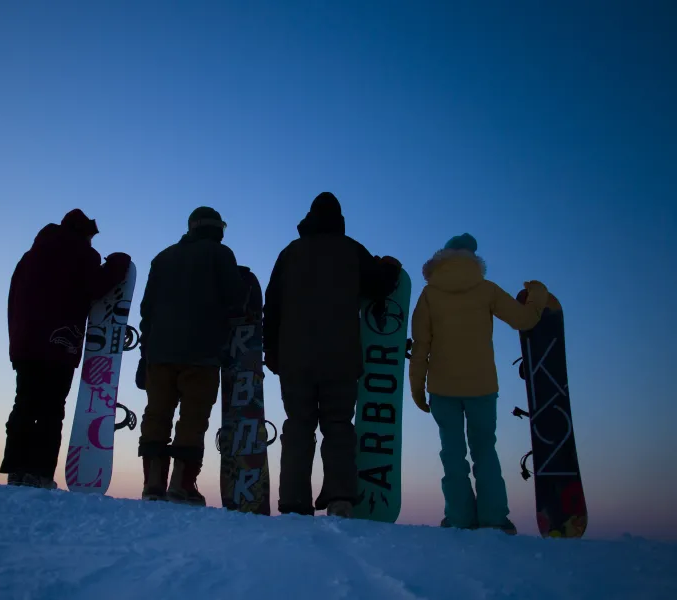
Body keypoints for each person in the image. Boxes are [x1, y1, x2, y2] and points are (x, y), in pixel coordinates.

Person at [263, 192, 401, 518]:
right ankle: (341, 498)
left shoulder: (290, 253)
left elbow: (273, 306)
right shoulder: (351, 250)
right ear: (339, 219)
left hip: (295, 359)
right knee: (338, 425)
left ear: (309, 217)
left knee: (298, 426)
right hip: (340, 357)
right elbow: (379, 287)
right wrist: (390, 268)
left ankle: (295, 502)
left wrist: (271, 351)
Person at [408, 232, 549, 534]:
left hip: (442, 389)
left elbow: (421, 346)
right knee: (485, 451)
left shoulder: (429, 294)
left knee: (452, 454)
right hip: (482, 387)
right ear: (474, 260)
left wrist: (417, 387)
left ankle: (459, 518)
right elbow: (524, 320)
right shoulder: (486, 290)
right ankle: (494, 518)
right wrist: (538, 296)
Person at [2, 208, 131, 489]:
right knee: (51, 408)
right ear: (84, 233)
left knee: (24, 403)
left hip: (25, 345)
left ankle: (16, 470)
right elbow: (97, 286)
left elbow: (13, 297)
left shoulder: (31, 256)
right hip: (60, 346)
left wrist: (17, 342)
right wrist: (119, 263)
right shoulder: (82, 255)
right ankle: (40, 473)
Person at [135, 206, 246, 505]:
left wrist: (144, 355)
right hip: (203, 354)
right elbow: (237, 305)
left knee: (156, 415)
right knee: (192, 421)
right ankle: (181, 486)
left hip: (159, 354)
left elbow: (147, 311)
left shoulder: (163, 257)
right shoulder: (221, 255)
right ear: (217, 229)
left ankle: (152, 485)